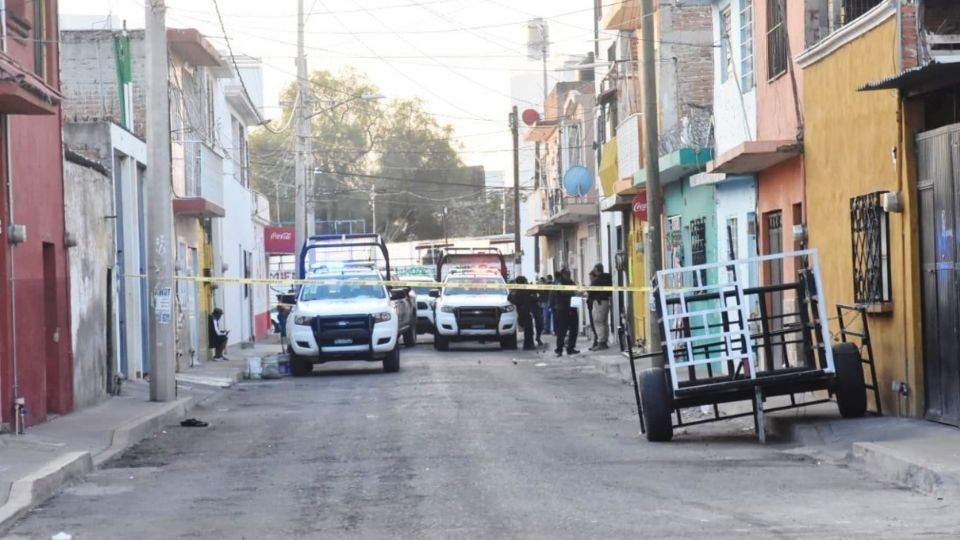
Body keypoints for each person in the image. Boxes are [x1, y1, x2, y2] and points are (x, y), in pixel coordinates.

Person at [550, 268, 580, 357]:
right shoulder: (559, 282)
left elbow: (575, 289)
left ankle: (570, 348)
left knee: (574, 329)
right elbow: (562, 291)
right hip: (563, 309)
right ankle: (559, 349)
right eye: (567, 274)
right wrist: (573, 292)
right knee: (562, 331)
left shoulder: (571, 281)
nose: (568, 275)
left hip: (572, 308)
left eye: (569, 273)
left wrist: (577, 292)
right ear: (563, 274)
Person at [508, 276, 537, 351]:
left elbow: (510, 298)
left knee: (528, 330)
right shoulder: (523, 291)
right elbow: (531, 299)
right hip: (525, 312)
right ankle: (528, 344)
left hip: (521, 312)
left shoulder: (517, 291)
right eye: (525, 281)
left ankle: (528, 344)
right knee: (528, 330)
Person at [588, 263, 613, 351]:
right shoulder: (608, 277)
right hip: (606, 301)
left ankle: (601, 342)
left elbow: (590, 290)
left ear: (597, 270)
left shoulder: (598, 279)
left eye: (595, 270)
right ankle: (604, 341)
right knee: (604, 322)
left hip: (599, 302)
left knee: (598, 322)